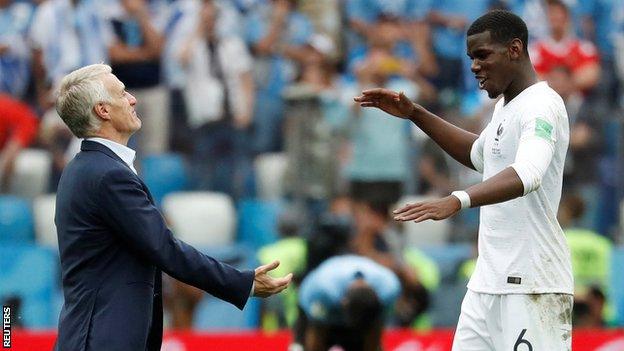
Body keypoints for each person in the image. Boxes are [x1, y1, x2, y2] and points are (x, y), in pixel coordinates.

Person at [355, 9, 573, 350]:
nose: (474, 66)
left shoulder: (542, 105)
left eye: (483, 55)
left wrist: (458, 199)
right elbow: (479, 155)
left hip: (532, 284)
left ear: (515, 49)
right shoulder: (506, 107)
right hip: (486, 284)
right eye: (471, 58)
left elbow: (528, 174)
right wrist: (415, 113)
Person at [53, 64, 292, 351]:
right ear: (103, 111)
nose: (133, 99)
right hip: (104, 340)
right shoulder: (108, 175)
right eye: (122, 93)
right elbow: (164, 249)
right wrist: (243, 283)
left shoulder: (83, 169)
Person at [298, 255, 400, 351]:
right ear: (343, 303)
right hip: (317, 305)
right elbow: (316, 336)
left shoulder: (388, 289)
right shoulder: (322, 291)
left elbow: (374, 335)